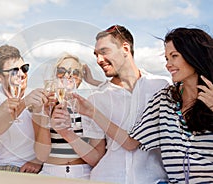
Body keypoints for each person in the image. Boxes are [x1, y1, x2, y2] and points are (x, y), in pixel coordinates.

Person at [73, 27, 213, 183]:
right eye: (167, 58)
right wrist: (91, 112)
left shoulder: (160, 85)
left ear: (193, 55)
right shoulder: (165, 98)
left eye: (174, 56)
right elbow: (131, 142)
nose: (168, 65)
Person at [59, 25, 171, 183]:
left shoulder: (161, 86)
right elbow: (97, 156)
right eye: (96, 55)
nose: (99, 60)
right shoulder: (96, 98)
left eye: (104, 52)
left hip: (153, 179)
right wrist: (66, 133)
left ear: (125, 48)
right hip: (108, 178)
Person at [33, 53, 105, 179]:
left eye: (75, 72)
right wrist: (45, 116)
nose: (68, 75)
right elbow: (41, 156)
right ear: (55, 75)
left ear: (80, 79)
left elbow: (96, 159)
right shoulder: (42, 106)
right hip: (50, 173)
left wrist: (67, 133)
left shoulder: (90, 107)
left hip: (83, 174)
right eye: (62, 71)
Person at [0, 44, 46, 173]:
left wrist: (37, 161)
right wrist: (23, 104)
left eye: (24, 68)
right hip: (6, 166)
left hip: (37, 166)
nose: (22, 74)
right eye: (14, 70)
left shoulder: (37, 96)